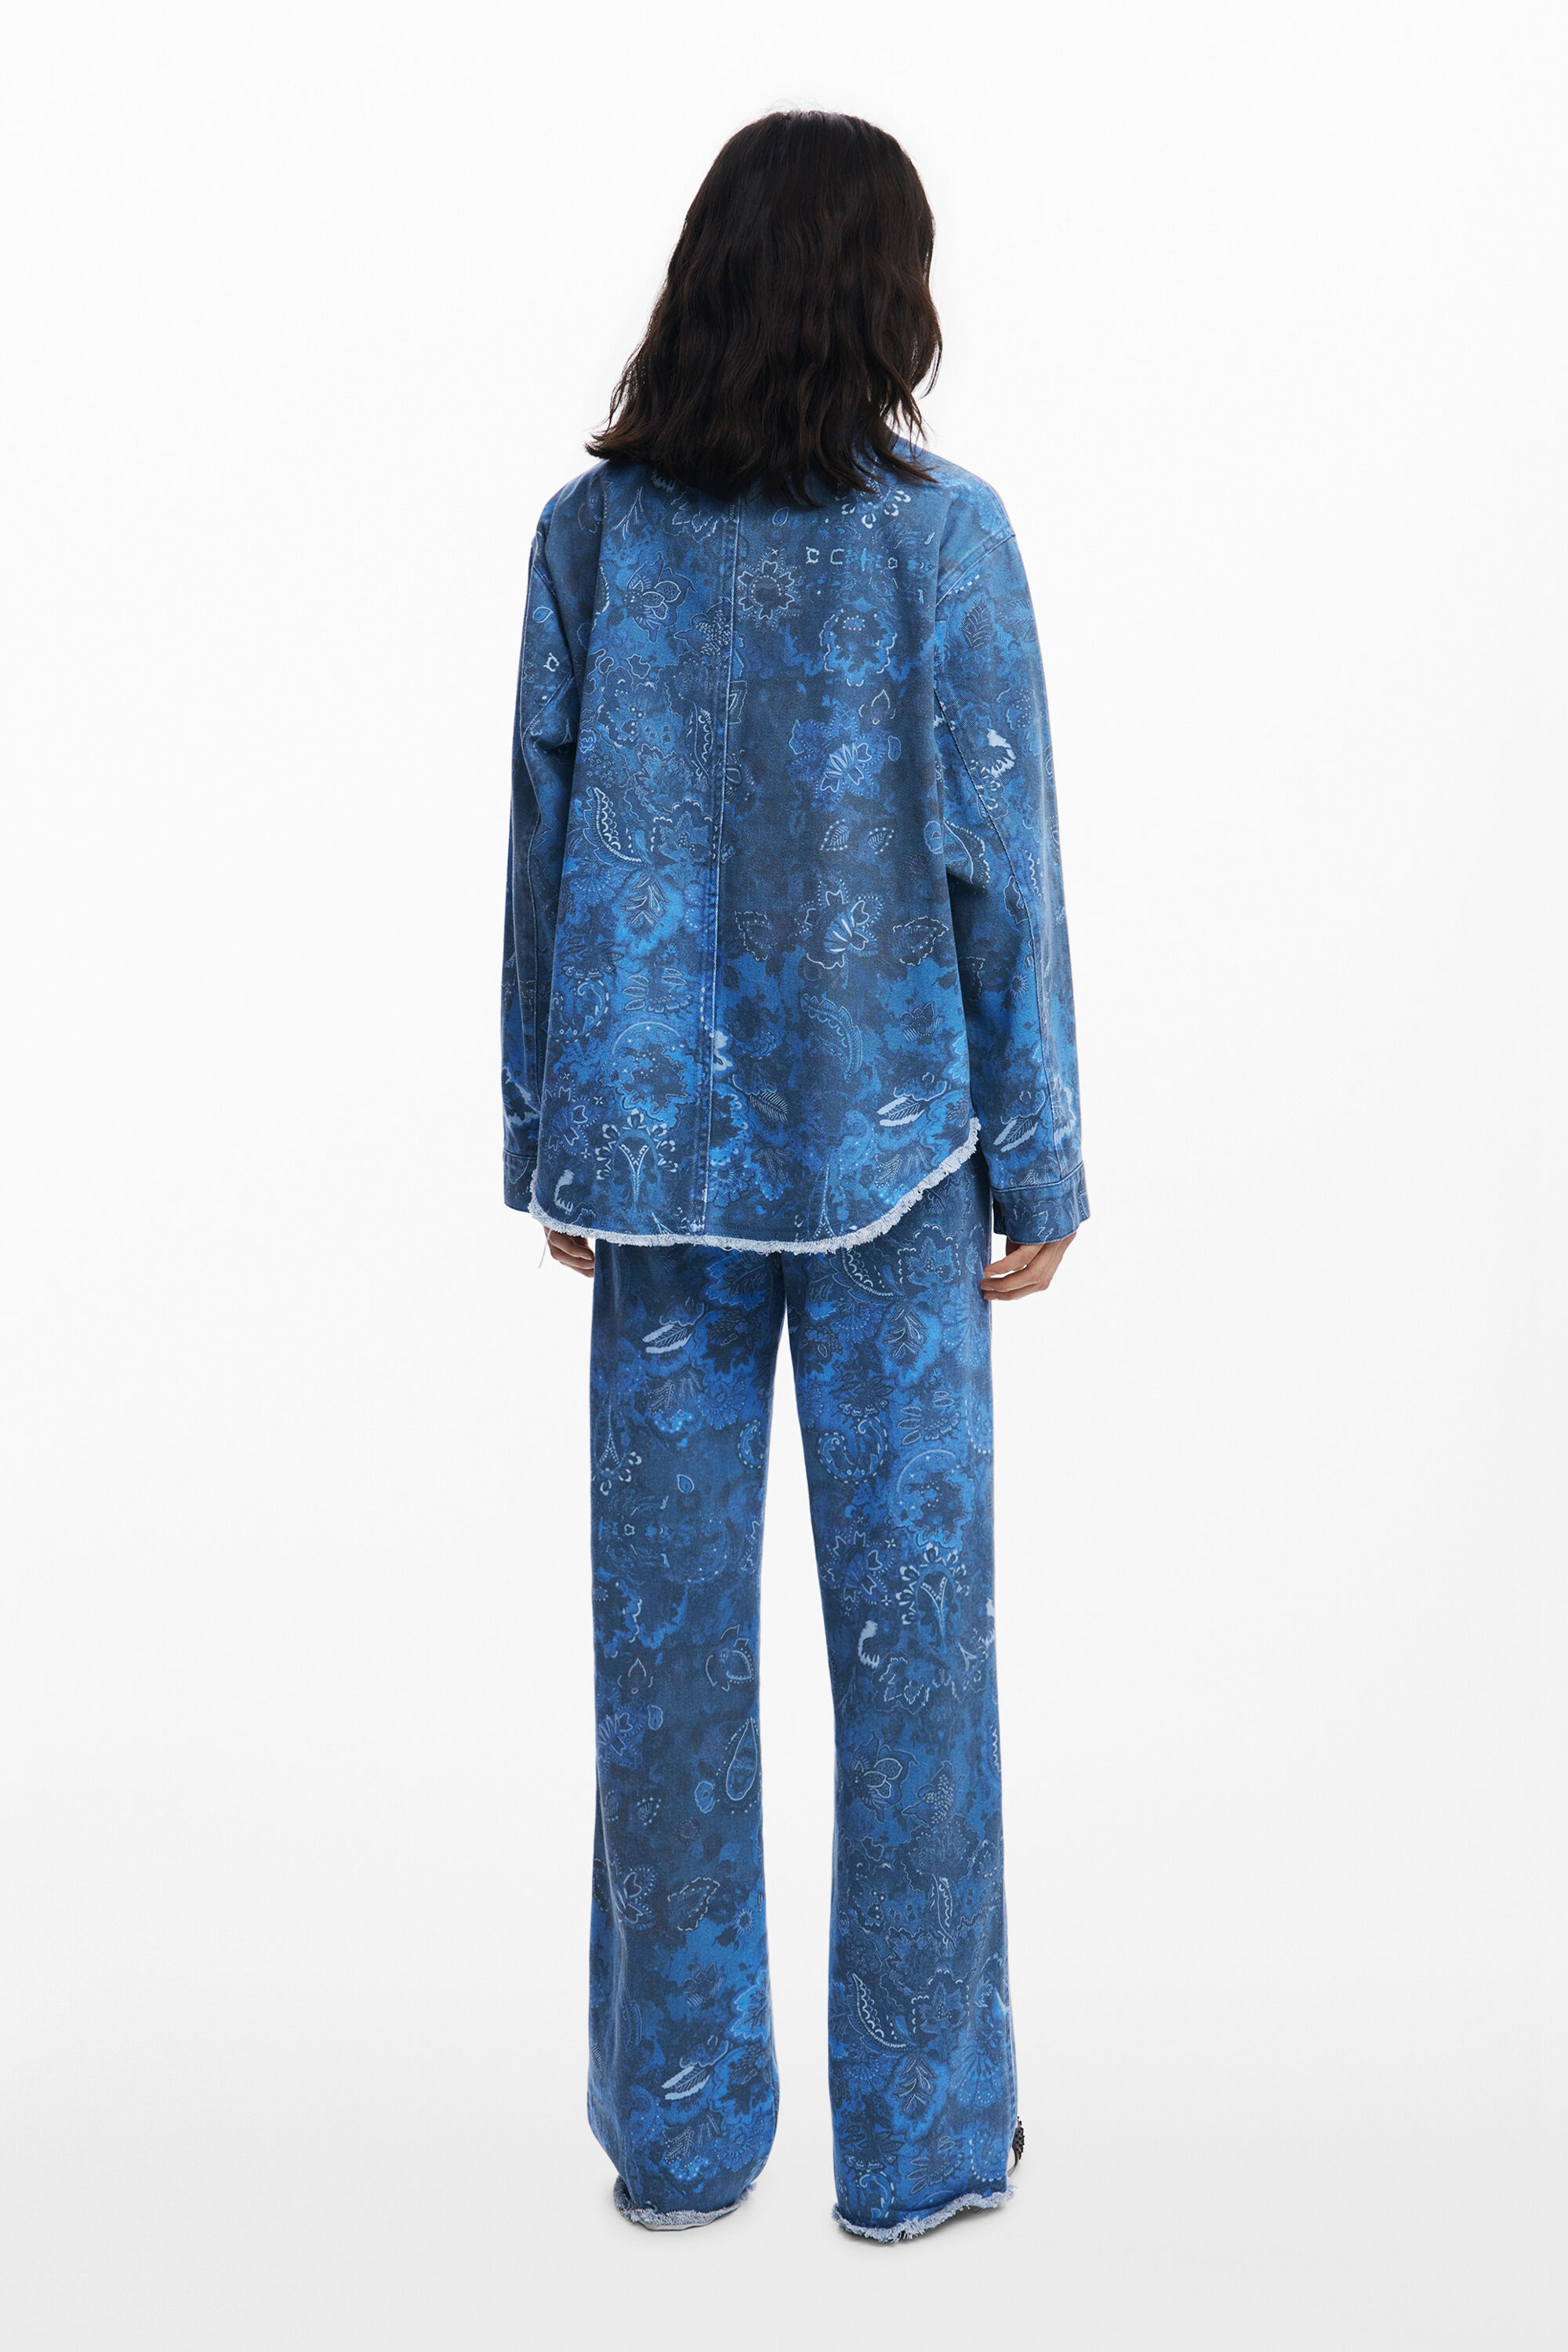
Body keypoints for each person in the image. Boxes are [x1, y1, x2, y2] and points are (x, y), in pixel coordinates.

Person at [502, 110, 1088, 2242]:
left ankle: (679, 2140)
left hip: (657, 1169)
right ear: (881, 294)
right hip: (899, 1157)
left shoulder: (592, 538)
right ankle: (921, 2146)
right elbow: (1005, 858)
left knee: (663, 1666)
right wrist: (1042, 1153)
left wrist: (545, 1135)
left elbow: (540, 855)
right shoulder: (948, 543)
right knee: (919, 1658)